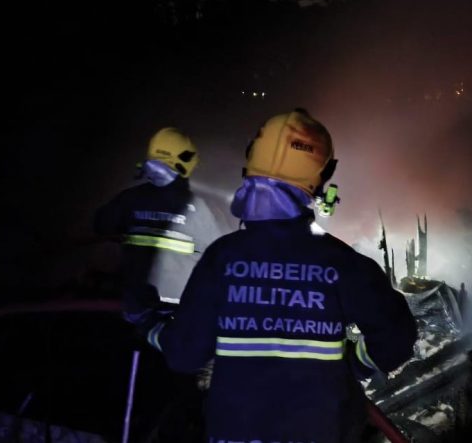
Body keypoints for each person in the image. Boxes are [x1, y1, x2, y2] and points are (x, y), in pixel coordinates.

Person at [134, 109, 418, 443]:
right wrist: (354, 363)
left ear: (252, 161)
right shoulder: (341, 262)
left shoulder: (223, 259)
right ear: (319, 176)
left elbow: (184, 354)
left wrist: (147, 321)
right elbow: (396, 338)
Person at [93, 127, 228, 317]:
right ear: (187, 162)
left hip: (135, 311)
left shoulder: (130, 199)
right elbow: (220, 258)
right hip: (180, 313)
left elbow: (100, 224)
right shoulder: (202, 208)